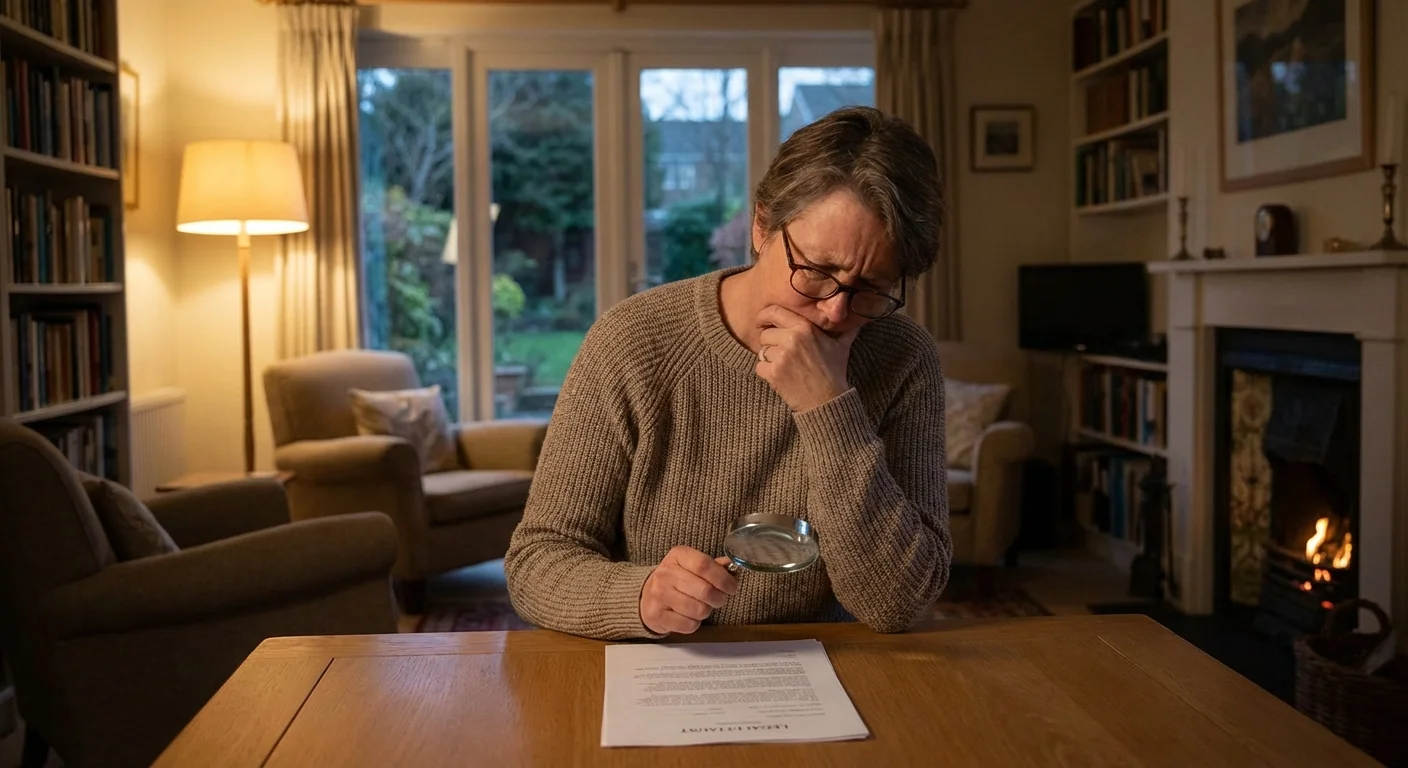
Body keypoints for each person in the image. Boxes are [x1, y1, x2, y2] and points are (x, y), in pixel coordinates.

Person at [504, 106, 951, 640]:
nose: (835, 311)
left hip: (827, 662)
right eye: (816, 271)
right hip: (660, 663)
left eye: (872, 288)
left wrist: (828, 407)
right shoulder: (633, 342)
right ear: (762, 226)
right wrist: (640, 597)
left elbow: (898, 603)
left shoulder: (904, 358)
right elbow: (537, 561)